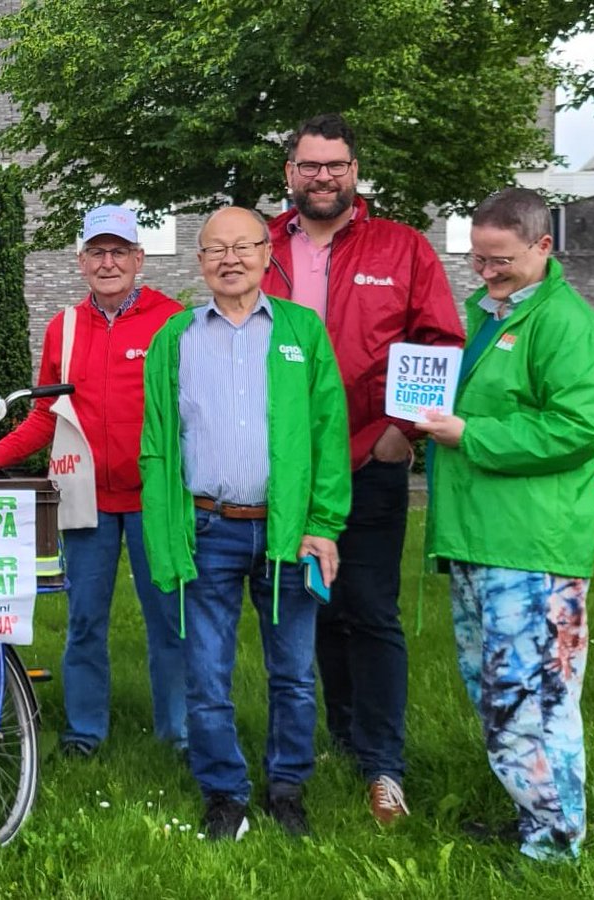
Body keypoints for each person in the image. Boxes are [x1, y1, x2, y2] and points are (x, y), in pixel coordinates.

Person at [260, 113, 465, 822]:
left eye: (336, 165)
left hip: (369, 457)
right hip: (287, 464)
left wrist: (403, 432)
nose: (323, 177)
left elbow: (440, 342)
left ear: (354, 171)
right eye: (310, 165)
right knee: (315, 603)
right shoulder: (262, 247)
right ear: (290, 173)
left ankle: (383, 766)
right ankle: (344, 739)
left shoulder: (402, 247)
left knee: (371, 610)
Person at [418, 187, 594, 862]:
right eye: (477, 258)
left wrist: (469, 434)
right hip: (482, 539)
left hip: (532, 547)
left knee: (535, 698)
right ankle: (537, 822)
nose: (486, 271)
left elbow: (578, 430)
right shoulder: (495, 315)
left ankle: (556, 843)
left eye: (499, 259)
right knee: (502, 697)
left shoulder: (566, 323)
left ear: (543, 245)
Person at [141, 206, 350, 841]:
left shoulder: (301, 331)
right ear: (200, 261)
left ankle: (287, 789)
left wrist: (323, 523)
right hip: (208, 528)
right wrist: (165, 533)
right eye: (216, 249)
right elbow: (157, 445)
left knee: (293, 674)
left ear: (266, 254)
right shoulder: (174, 338)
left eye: (243, 246)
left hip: (288, 532)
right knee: (206, 674)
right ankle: (224, 794)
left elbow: (328, 433)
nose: (230, 259)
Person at [0, 205, 187, 758]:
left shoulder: (172, 321)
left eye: (119, 252)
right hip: (87, 498)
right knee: (85, 620)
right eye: (97, 252)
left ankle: (181, 733)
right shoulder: (63, 329)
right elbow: (46, 415)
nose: (108, 262)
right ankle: (85, 731)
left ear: (139, 259)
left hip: (156, 499)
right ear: (81, 261)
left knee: (170, 619)